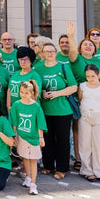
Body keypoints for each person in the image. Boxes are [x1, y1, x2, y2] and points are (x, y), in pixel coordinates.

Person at [35, 42, 77, 180]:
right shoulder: (38, 68)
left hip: (62, 111)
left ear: (56, 52)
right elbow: (35, 86)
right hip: (45, 111)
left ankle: (62, 168)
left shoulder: (63, 67)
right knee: (47, 139)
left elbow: (73, 87)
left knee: (62, 140)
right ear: (42, 53)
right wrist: (42, 92)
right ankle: (48, 165)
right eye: (46, 51)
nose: (49, 54)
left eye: (52, 51)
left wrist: (57, 93)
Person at [9, 80, 47, 195]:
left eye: (26, 93)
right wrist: (14, 136)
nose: (23, 95)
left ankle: (33, 184)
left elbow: (40, 123)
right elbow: (14, 122)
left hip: (33, 137)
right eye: (21, 92)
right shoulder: (16, 105)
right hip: (22, 136)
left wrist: (41, 137)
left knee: (33, 160)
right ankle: (28, 177)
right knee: (25, 158)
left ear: (32, 93)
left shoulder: (36, 106)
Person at [7, 47, 42, 111]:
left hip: (27, 110)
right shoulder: (15, 74)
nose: (23, 62)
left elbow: (35, 96)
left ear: (31, 60)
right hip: (14, 109)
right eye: (20, 59)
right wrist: (8, 107)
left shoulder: (34, 76)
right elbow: (9, 90)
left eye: (25, 59)